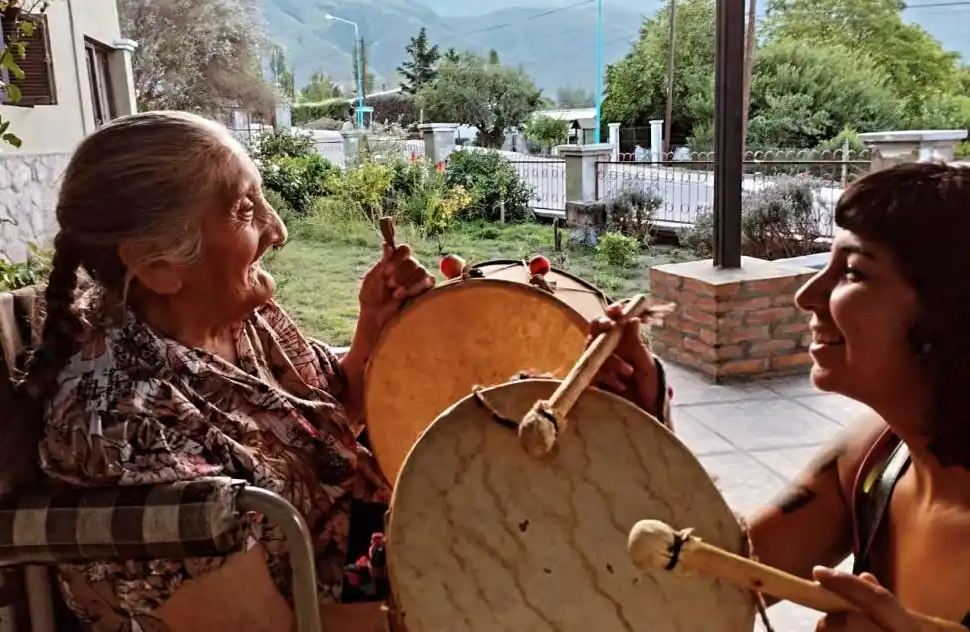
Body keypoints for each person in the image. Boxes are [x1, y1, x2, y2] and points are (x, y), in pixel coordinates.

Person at [26, 111, 672, 632]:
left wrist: (373, 330)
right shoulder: (126, 423)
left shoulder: (239, 316)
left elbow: (335, 417)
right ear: (158, 263)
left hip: (374, 547)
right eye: (246, 211)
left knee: (604, 506)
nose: (277, 228)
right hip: (343, 602)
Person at [595, 161, 970, 632]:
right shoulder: (877, 457)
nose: (808, 295)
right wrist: (648, 426)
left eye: (853, 272)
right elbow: (723, 573)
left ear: (951, 313)